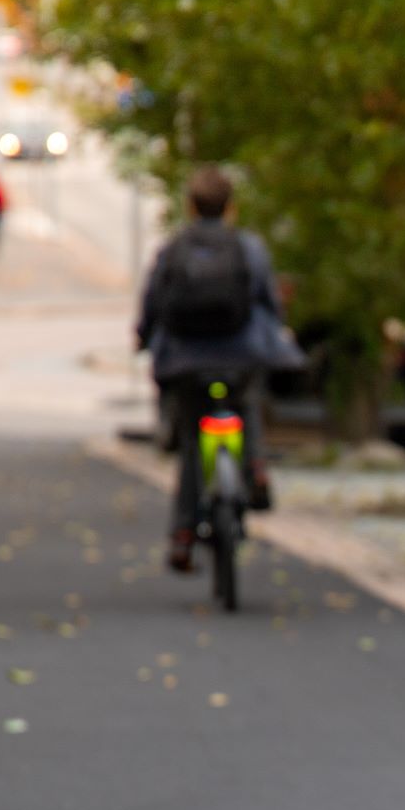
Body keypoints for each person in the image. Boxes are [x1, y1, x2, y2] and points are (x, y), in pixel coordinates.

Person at [134, 164, 296, 571]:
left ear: (190, 207)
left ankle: (183, 533)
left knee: (193, 440)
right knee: (246, 402)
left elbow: (153, 303)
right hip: (239, 355)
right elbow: (267, 303)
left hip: (187, 361)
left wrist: (143, 339)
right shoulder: (248, 248)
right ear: (231, 208)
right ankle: (256, 467)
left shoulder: (174, 249)